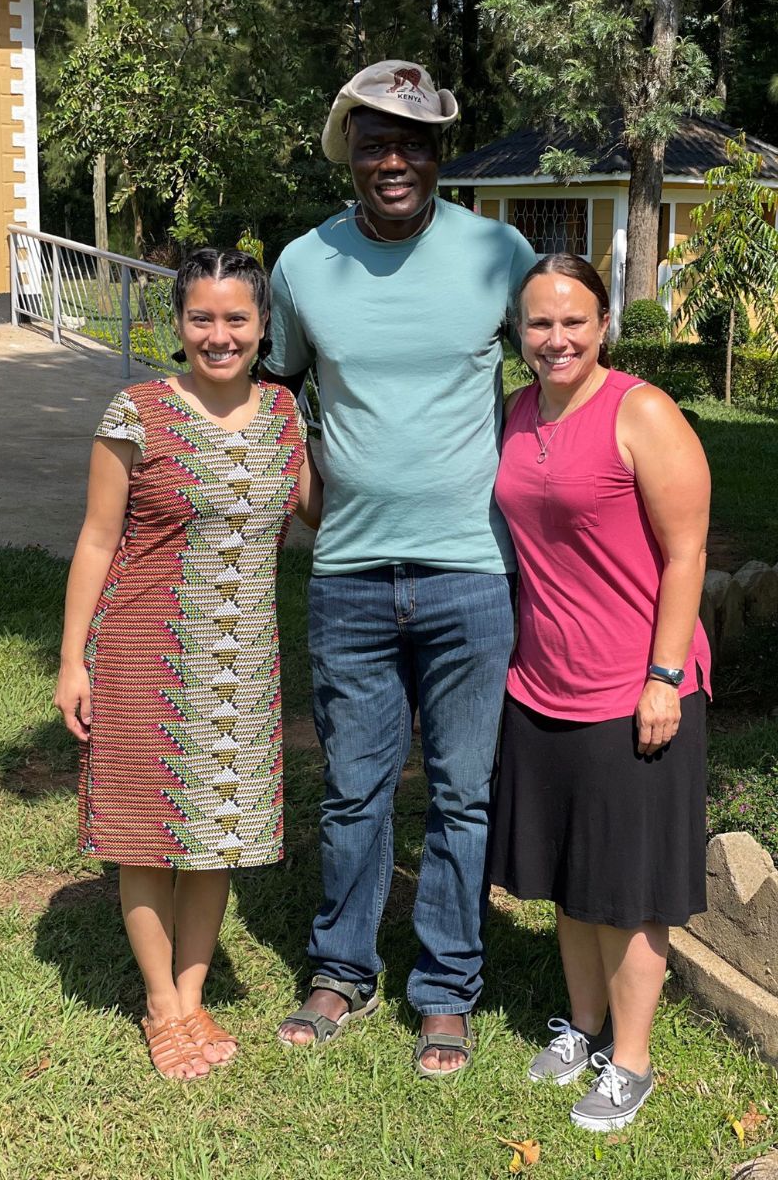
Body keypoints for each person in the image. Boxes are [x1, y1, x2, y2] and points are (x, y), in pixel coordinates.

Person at [260, 60, 536, 1076]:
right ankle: (340, 971)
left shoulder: (495, 252)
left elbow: (561, 371)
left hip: (472, 573)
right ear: (347, 147)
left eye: (414, 141)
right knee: (354, 791)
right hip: (347, 578)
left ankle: (446, 992)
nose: (394, 159)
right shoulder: (300, 264)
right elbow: (279, 392)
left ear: (436, 155)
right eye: (375, 139)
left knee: (463, 794)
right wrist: (305, 498)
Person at [54, 248, 321, 1080]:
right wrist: (73, 659)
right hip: (143, 653)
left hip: (243, 662)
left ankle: (194, 994)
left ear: (263, 326)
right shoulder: (135, 412)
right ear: (178, 324)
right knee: (145, 838)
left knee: (216, 836)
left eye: (236, 318)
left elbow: (320, 512)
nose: (219, 335)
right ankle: (162, 1008)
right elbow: (98, 539)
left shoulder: (285, 413)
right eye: (201, 318)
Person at [491, 253, 711, 1129]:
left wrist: (663, 677)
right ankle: (582, 1027)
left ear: (604, 323)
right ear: (520, 332)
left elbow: (689, 551)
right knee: (569, 877)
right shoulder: (515, 413)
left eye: (573, 321)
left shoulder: (641, 411)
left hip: (634, 687)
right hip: (542, 681)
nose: (556, 339)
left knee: (626, 889)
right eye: (540, 323)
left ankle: (632, 1060)